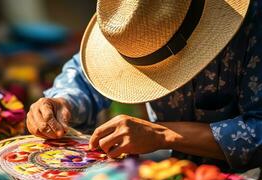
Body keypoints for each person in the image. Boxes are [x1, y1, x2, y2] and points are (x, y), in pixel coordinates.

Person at [27, 0, 262, 171]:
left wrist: (161, 134)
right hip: (171, 173)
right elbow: (83, 74)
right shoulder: (134, 29)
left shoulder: (253, 26)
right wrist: (61, 102)